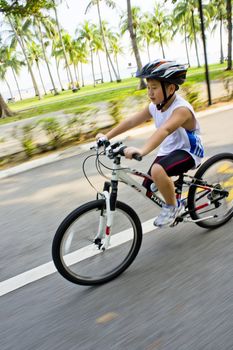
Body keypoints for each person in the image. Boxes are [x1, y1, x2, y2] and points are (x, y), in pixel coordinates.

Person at [96, 59, 204, 227]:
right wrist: (106, 137)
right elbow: (132, 121)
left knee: (157, 170)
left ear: (170, 88)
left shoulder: (181, 109)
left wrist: (142, 150)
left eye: (154, 88)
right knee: (148, 183)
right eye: (148, 87)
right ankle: (174, 192)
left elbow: (165, 130)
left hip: (189, 151)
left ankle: (173, 207)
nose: (150, 92)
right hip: (169, 150)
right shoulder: (155, 106)